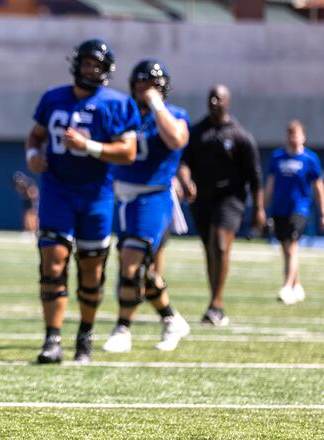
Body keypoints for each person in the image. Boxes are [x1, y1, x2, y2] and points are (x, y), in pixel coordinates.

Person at [25, 39, 139, 364]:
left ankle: (85, 334)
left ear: (105, 71)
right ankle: (52, 339)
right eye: (86, 63)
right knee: (52, 264)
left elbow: (128, 152)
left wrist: (90, 146)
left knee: (91, 270)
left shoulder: (116, 104)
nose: (90, 70)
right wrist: (33, 155)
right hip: (57, 191)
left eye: (96, 65)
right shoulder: (53, 97)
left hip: (95, 195)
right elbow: (35, 134)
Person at [102, 59, 191, 353]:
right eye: (140, 85)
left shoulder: (173, 114)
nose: (144, 90)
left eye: (150, 85)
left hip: (154, 196)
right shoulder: (124, 113)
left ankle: (123, 328)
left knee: (131, 263)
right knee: (144, 272)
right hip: (123, 198)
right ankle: (171, 318)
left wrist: (157, 106)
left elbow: (177, 139)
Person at [177, 84, 266, 326]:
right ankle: (214, 302)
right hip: (202, 198)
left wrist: (259, 209)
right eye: (211, 97)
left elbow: (256, 177)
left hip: (231, 198)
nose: (214, 101)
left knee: (221, 244)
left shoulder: (240, 135)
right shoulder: (198, 132)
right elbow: (183, 163)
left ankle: (216, 304)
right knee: (210, 249)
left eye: (219, 98)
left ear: (228, 102)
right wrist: (186, 181)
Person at [264, 120, 324, 305]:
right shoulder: (277, 157)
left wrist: (322, 211)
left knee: (292, 246)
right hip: (280, 208)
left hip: (299, 208)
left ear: (303, 137)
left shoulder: (310, 159)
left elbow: (318, 186)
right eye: (290, 134)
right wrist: (263, 208)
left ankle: (287, 286)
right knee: (285, 248)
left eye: (296, 133)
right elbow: (270, 184)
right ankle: (297, 286)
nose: (293, 137)